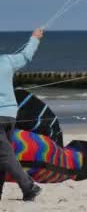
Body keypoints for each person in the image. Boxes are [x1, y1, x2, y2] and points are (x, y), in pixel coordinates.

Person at [0, 28, 44, 201]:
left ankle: (29, 187)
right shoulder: (7, 61)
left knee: (5, 156)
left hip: (4, 116)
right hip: (10, 115)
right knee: (3, 157)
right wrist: (35, 38)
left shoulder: (7, 61)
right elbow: (26, 55)